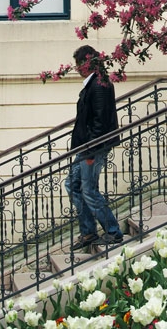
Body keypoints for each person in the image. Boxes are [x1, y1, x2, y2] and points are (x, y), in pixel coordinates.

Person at [64, 45, 123, 248]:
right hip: (85, 146)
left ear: (88, 63)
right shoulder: (93, 84)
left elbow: (100, 121)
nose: (77, 68)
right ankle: (88, 232)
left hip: (93, 147)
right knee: (73, 185)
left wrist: (90, 151)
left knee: (89, 189)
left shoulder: (100, 85)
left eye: (80, 64)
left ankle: (113, 231)